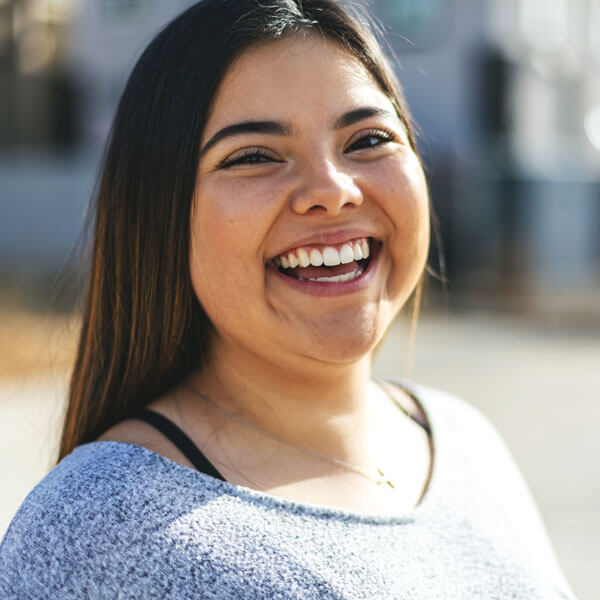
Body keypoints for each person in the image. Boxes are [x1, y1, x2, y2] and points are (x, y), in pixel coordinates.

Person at [0, 1, 578, 598]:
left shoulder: (466, 443)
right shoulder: (99, 528)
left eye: (369, 139)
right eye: (254, 157)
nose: (332, 190)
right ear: (160, 216)